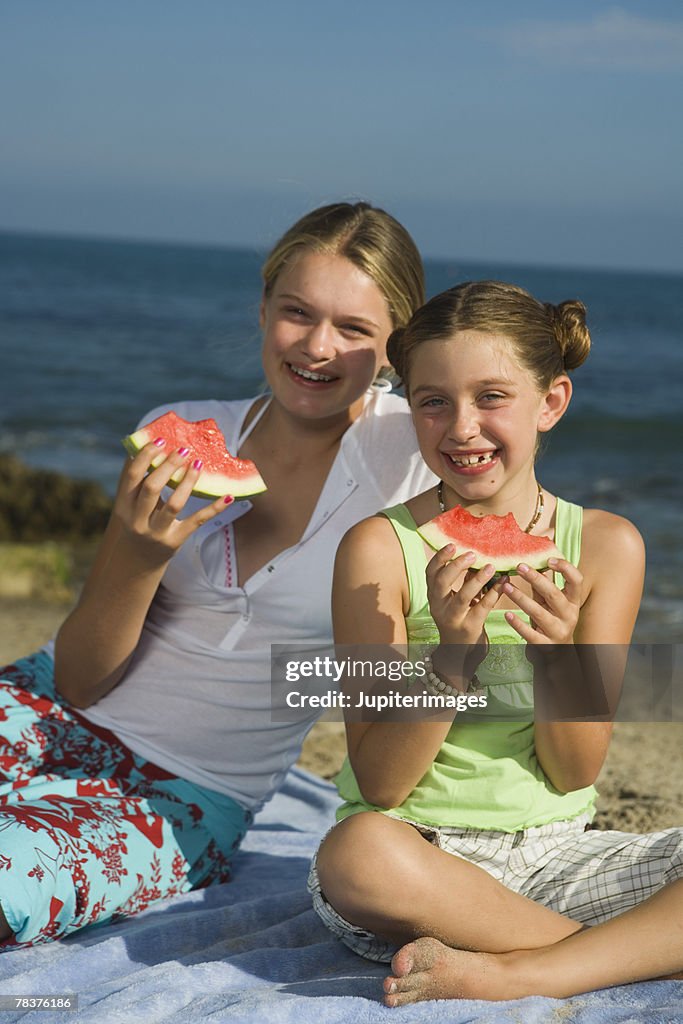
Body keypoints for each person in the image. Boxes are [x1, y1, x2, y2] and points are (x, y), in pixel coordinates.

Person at [0, 201, 437, 948]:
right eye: (296, 312)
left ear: (398, 343)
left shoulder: (420, 463)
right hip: (48, 706)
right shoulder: (182, 427)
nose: (318, 347)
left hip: (190, 794)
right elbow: (77, 679)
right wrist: (139, 559)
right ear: (262, 307)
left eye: (354, 328)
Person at [310, 280, 683, 1006]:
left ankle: (518, 969)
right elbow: (380, 784)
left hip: (558, 854)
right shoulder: (378, 550)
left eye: (491, 397)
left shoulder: (607, 547)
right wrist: (451, 658)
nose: (461, 427)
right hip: (417, 860)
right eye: (432, 401)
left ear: (550, 402)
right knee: (352, 853)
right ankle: (618, 955)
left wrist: (558, 661)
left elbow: (574, 774)